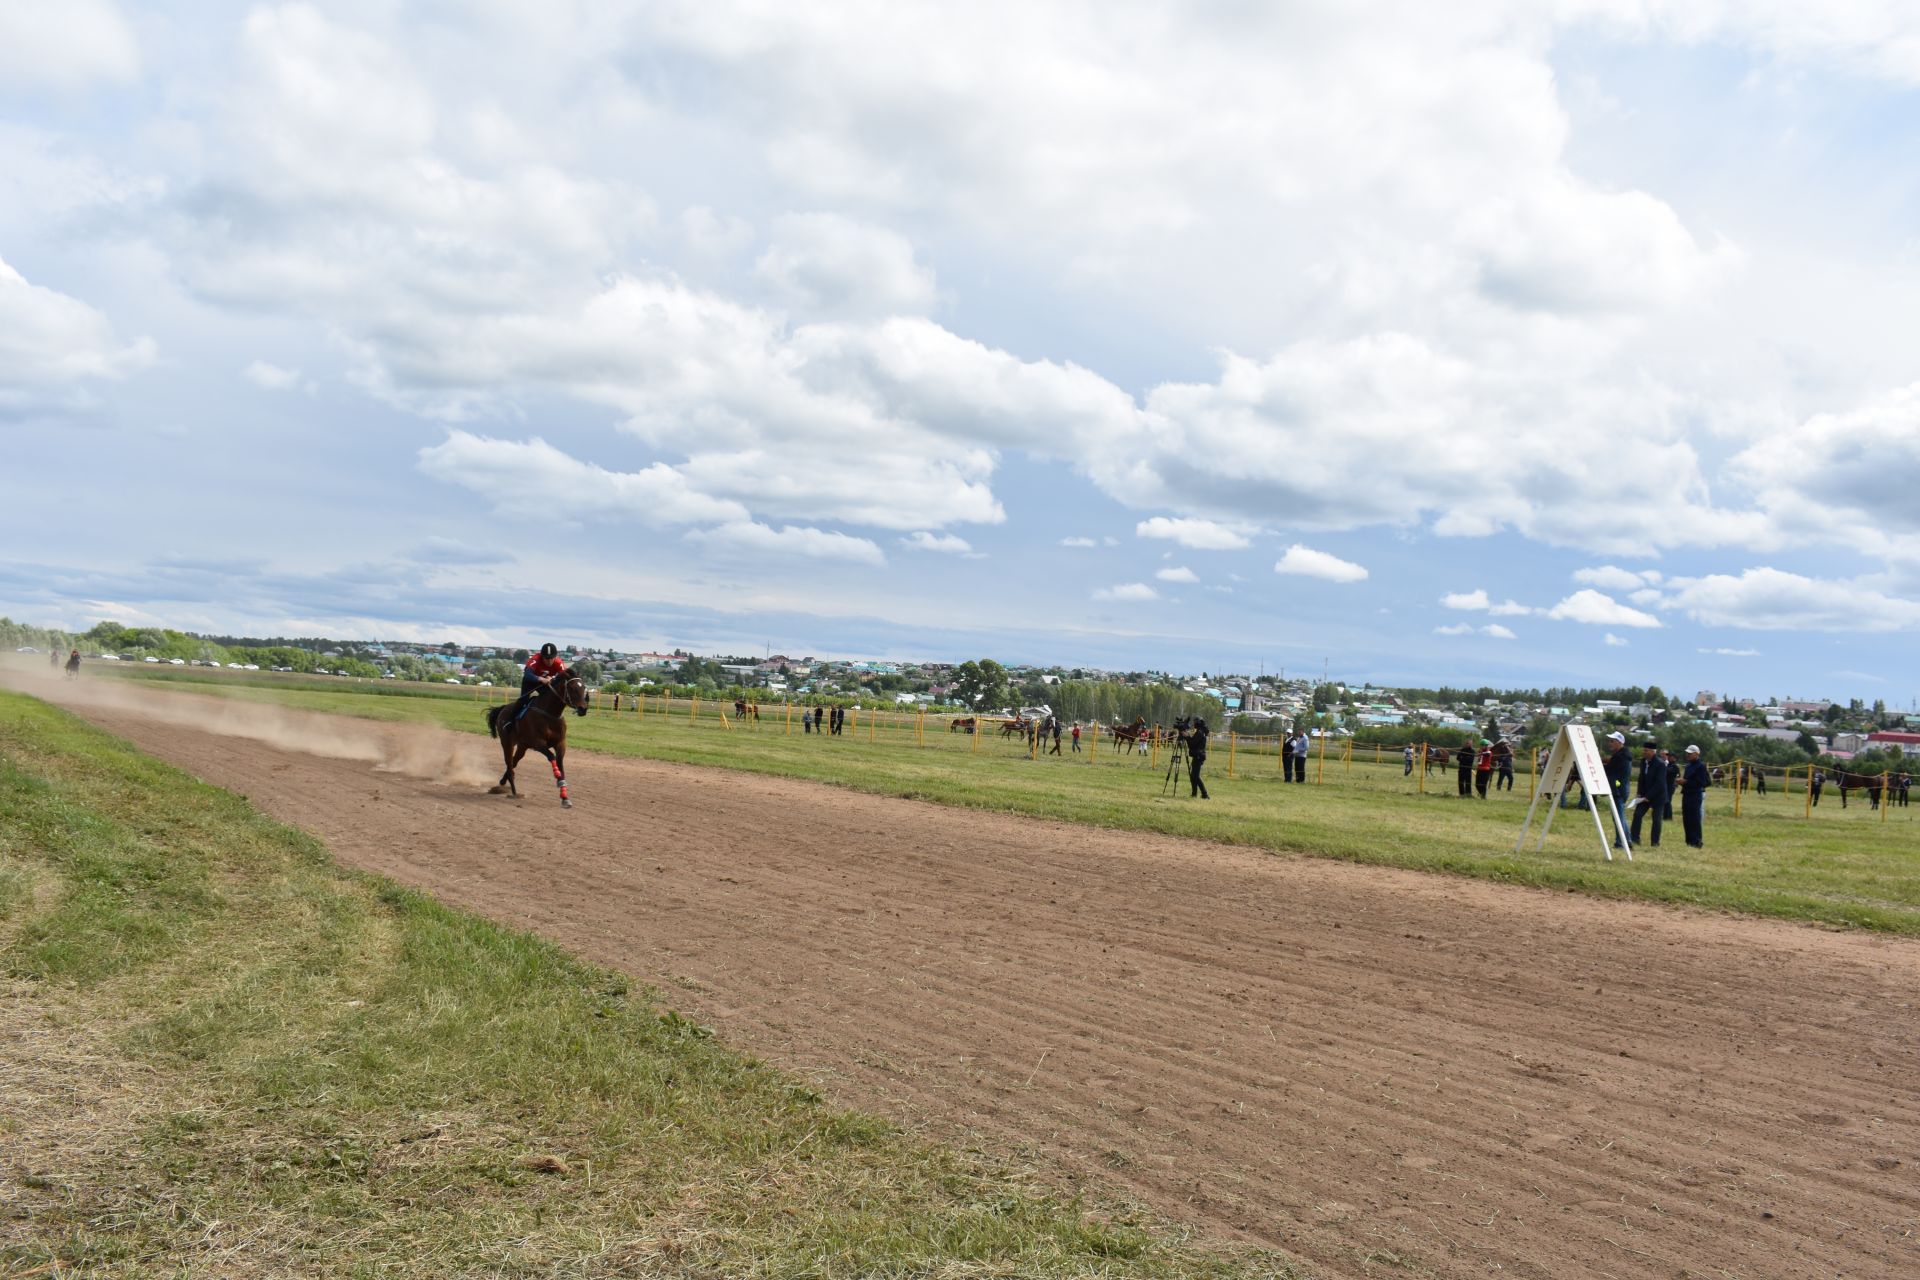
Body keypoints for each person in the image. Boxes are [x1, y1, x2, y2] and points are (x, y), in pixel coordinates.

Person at [506, 643, 566, 729]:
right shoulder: (535, 659)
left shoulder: (558, 663)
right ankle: (510, 721)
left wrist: (552, 678)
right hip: (530, 682)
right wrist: (541, 679)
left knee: (550, 699)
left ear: (555, 657)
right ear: (542, 656)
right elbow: (527, 674)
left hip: (545, 683)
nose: (549, 661)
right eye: (546, 658)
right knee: (523, 699)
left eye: (551, 658)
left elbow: (563, 676)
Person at [1630, 739, 1668, 847]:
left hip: (1658, 796)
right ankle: (1634, 838)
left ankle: (1655, 842)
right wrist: (1639, 793)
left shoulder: (1660, 764)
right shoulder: (1643, 762)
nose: (1644, 752)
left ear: (1653, 752)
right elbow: (1641, 778)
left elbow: (1659, 783)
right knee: (1637, 815)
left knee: (1656, 819)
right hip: (1644, 795)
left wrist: (1648, 796)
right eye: (1644, 750)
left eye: (1646, 750)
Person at [1602, 730, 1631, 850]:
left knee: (1619, 818)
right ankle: (1627, 840)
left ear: (1620, 743)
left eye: (1612, 741)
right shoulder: (1622, 756)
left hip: (1618, 790)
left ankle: (1621, 842)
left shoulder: (1621, 757)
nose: (1610, 743)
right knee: (1619, 816)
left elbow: (1611, 772)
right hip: (1620, 789)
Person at [1681, 744, 1710, 848]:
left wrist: (1686, 782)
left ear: (1696, 754)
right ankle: (1689, 840)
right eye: (1687, 753)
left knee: (1695, 818)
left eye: (1690, 753)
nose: (1687, 755)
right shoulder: (1688, 766)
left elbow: (1702, 782)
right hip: (1686, 794)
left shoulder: (1701, 766)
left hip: (1695, 794)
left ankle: (1697, 841)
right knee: (1686, 818)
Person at [1183, 717, 1211, 799]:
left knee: (1196, 776)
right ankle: (1194, 793)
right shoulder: (1200, 732)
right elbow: (1193, 742)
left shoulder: (1199, 732)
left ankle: (1205, 794)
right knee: (1193, 776)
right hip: (1197, 755)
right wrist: (1188, 736)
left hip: (1198, 756)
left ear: (1198, 723)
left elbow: (1192, 743)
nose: (1194, 724)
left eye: (1195, 722)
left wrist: (1187, 737)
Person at [1661, 749, 1678, 821]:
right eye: (1668, 756)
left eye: (1670, 756)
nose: (1668, 757)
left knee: (1668, 802)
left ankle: (1668, 817)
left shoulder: (1674, 766)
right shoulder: (1668, 765)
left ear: (1674, 758)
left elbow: (1668, 771)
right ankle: (1665, 816)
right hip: (1666, 785)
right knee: (1666, 801)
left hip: (1670, 786)